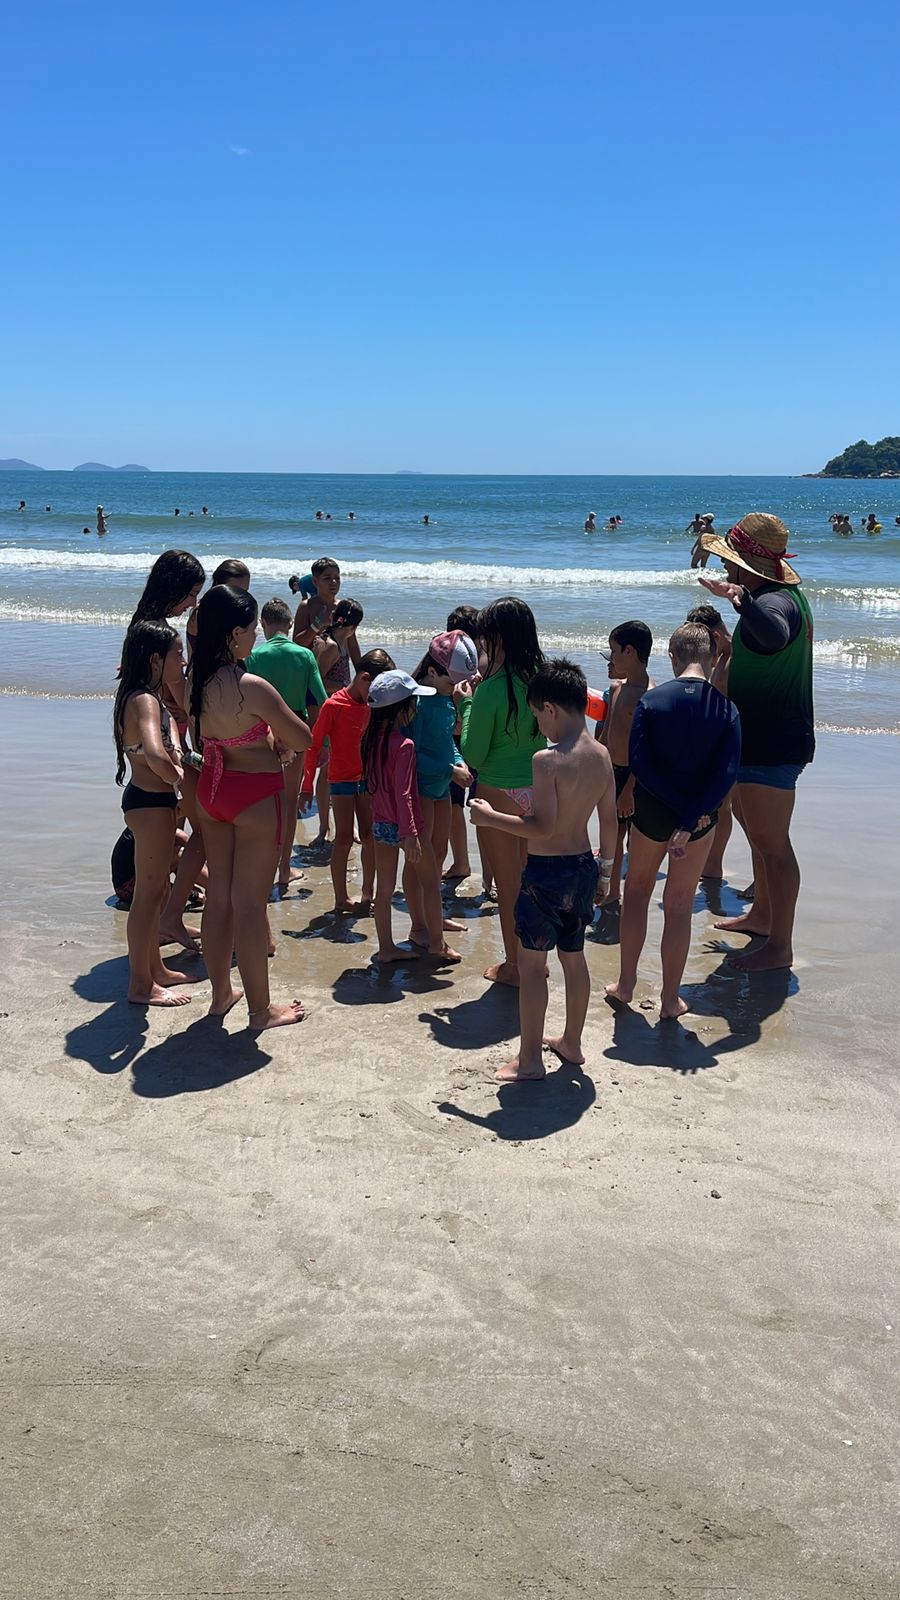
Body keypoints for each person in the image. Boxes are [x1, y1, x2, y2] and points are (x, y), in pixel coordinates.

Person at [472, 659, 618, 1080]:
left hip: (545, 875)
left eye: (538, 717)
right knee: (574, 957)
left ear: (551, 708)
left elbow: (543, 826)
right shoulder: (603, 756)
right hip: (583, 868)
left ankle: (531, 1060)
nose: (541, 727)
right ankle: (571, 1042)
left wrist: (489, 816)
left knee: (533, 966)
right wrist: (606, 874)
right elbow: (608, 822)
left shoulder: (547, 760)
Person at [189, 584, 312, 1029]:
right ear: (235, 632)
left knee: (218, 898)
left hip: (212, 791)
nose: (255, 638)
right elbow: (303, 738)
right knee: (249, 904)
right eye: (251, 631)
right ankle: (261, 1010)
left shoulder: (193, 681)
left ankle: (221, 995)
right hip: (255, 795)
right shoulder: (251, 687)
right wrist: (273, 737)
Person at [697, 513, 815, 972]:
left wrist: (741, 599)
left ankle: (780, 947)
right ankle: (763, 916)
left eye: (732, 562)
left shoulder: (777, 602)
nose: (727, 570)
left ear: (749, 565)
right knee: (758, 833)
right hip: (759, 739)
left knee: (774, 845)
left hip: (774, 741)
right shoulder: (772, 598)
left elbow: (774, 631)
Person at [605, 624, 741, 1020]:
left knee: (638, 893)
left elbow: (640, 763)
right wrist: (689, 815)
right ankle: (668, 1000)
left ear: (672, 657)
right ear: (712, 659)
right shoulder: (726, 709)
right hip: (698, 816)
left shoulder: (653, 700)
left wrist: (673, 807)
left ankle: (626, 985)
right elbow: (726, 773)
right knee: (679, 904)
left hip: (653, 810)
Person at [455, 596, 546, 987]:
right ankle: (536, 959)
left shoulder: (491, 689)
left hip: (498, 792)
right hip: (539, 788)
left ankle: (515, 966)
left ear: (498, 637)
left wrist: (467, 705)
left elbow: (473, 753)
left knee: (508, 887)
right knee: (531, 883)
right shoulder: (543, 677)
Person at [113, 620, 196, 1007]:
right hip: (149, 802)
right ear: (154, 659)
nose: (182, 659)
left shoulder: (144, 695)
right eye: (177, 653)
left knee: (157, 891)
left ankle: (155, 970)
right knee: (148, 897)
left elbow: (165, 741)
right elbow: (154, 751)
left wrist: (174, 753)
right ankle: (140, 985)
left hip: (150, 801)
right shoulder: (144, 699)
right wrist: (177, 775)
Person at [129, 550, 207, 948]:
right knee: (202, 830)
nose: (193, 602)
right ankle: (170, 918)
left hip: (154, 749)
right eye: (191, 593)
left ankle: (169, 917)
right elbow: (182, 697)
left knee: (172, 837)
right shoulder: (161, 635)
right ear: (174, 588)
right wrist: (199, 746)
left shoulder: (142, 626)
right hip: (169, 746)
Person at [363, 670, 462, 966]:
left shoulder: (369, 740)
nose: (416, 708)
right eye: (413, 703)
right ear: (401, 709)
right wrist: (410, 834)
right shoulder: (404, 746)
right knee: (431, 884)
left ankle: (386, 948)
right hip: (408, 826)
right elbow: (405, 794)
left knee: (383, 890)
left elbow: (373, 787)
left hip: (380, 822)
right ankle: (437, 944)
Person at [299, 648, 395, 912]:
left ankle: (368, 892)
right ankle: (340, 897)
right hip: (340, 780)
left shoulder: (374, 706)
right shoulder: (333, 705)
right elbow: (313, 745)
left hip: (367, 780)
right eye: (376, 689)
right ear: (364, 678)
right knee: (342, 838)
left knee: (369, 836)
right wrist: (307, 785)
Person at [246, 598, 328, 892]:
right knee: (289, 802)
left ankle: (261, 865)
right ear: (290, 624)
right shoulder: (304, 655)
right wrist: (324, 742)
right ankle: (283, 869)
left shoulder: (255, 656)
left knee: (265, 802)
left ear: (263, 625)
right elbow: (322, 700)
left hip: (262, 731)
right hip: (294, 728)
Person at [407, 630, 477, 944]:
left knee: (438, 852)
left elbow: (449, 744)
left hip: (441, 785)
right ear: (432, 673)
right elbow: (413, 754)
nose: (455, 690)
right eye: (452, 683)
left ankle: (433, 915)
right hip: (422, 787)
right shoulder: (419, 705)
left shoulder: (447, 702)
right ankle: (420, 925)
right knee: (419, 859)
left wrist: (459, 762)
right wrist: (450, 769)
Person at [594, 620, 652, 907]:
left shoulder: (649, 696)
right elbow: (605, 736)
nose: (612, 657)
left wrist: (630, 787)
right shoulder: (617, 689)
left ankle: (630, 893)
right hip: (611, 773)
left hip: (635, 777)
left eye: (613, 651)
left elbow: (646, 749)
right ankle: (610, 889)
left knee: (634, 839)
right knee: (612, 836)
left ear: (629, 651)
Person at [686, 602, 735, 879]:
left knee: (729, 807)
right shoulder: (723, 659)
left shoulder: (732, 661)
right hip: (718, 740)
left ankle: (714, 864)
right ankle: (713, 863)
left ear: (714, 637)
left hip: (730, 742)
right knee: (725, 806)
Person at [442, 605, 482, 883]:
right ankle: (491, 876)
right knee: (483, 805)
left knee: (454, 804)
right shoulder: (488, 659)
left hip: (455, 736)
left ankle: (461, 863)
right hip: (481, 737)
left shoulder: (448, 659)